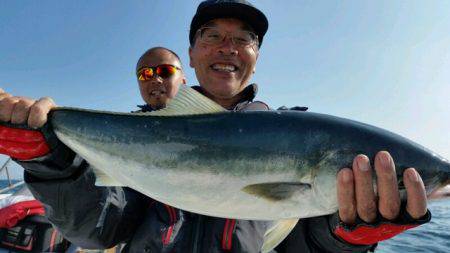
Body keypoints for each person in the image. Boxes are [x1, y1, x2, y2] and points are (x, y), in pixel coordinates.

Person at [0, 0, 430, 252]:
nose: (228, 47)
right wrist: (50, 161)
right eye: (212, 35)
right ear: (190, 55)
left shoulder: (297, 132)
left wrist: (347, 237)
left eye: (243, 38)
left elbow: (305, 245)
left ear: (257, 55)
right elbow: (99, 229)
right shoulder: (141, 134)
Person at [135, 47, 186, 111]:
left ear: (183, 80)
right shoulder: (129, 120)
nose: (155, 79)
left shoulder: (200, 113)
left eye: (165, 71)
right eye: (144, 74)